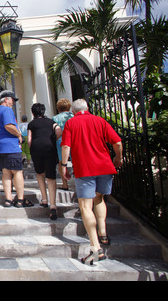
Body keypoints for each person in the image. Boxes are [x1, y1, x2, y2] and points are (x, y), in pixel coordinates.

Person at [61, 99, 123, 265]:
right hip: (105, 166)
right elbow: (117, 142)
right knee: (99, 198)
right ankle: (103, 233)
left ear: (73, 111)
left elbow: (66, 146)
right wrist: (118, 157)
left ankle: (95, 248)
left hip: (85, 168)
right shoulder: (100, 120)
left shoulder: (71, 123)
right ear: (87, 108)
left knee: (85, 206)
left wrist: (64, 165)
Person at [0, 90, 33, 208]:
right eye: (12, 100)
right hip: (10, 146)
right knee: (17, 172)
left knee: (6, 173)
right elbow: (8, 125)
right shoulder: (6, 110)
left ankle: (8, 199)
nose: (13, 102)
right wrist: (19, 135)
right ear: (6, 99)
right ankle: (20, 199)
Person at [28, 103, 62, 220]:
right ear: (43, 111)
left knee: (40, 174)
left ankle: (44, 199)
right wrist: (53, 140)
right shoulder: (51, 122)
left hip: (37, 149)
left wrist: (32, 149)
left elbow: (29, 140)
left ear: (33, 113)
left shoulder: (32, 124)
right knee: (51, 177)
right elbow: (59, 130)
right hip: (50, 149)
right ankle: (53, 205)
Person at [52, 99, 74, 190]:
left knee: (61, 162)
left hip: (61, 141)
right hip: (73, 140)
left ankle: (65, 184)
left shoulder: (55, 118)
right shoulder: (73, 116)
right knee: (75, 160)